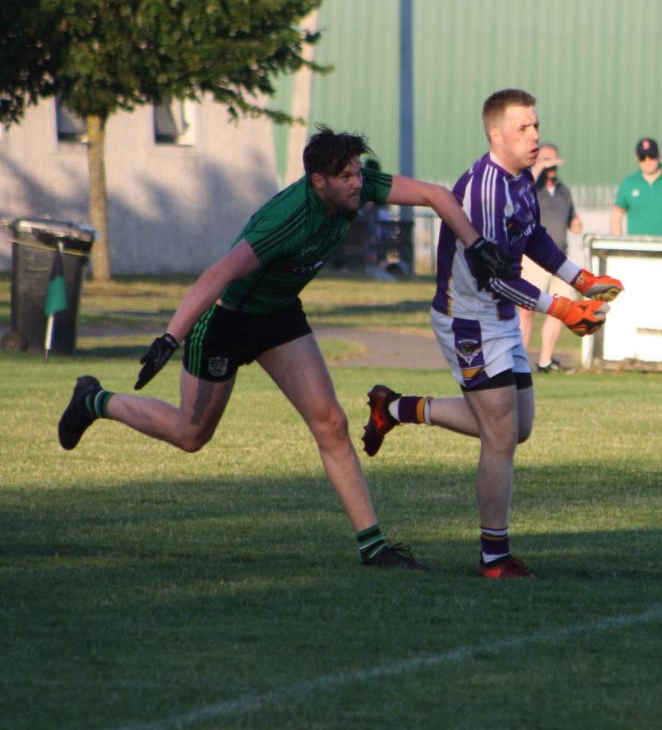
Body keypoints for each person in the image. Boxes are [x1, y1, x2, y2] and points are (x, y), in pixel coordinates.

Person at [56, 126, 517, 571]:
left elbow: (437, 195)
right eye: (346, 177)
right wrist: (169, 337)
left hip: (277, 315)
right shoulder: (286, 219)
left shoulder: (359, 187)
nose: (358, 182)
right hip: (225, 321)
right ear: (319, 182)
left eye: (358, 172)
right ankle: (95, 400)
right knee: (190, 435)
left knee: (331, 422)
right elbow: (217, 275)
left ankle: (374, 548)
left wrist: (474, 244)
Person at [360, 89, 623, 579]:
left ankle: (394, 408)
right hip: (470, 320)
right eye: (524, 128)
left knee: (516, 427)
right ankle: (494, 557)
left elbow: (535, 238)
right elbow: (494, 275)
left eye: (536, 126)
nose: (536, 136)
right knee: (500, 437)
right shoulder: (484, 189)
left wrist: (580, 279)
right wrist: (562, 308)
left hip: (498, 315)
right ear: (495, 135)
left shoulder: (523, 178)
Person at [518, 142, 583, 373]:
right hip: (533, 258)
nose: (551, 166)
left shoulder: (563, 190)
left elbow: (571, 219)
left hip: (559, 258)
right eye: (546, 160)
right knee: (526, 309)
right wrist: (539, 167)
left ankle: (546, 360)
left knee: (560, 307)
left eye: (554, 160)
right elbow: (523, 187)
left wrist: (575, 223)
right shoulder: (531, 187)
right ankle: (519, 362)